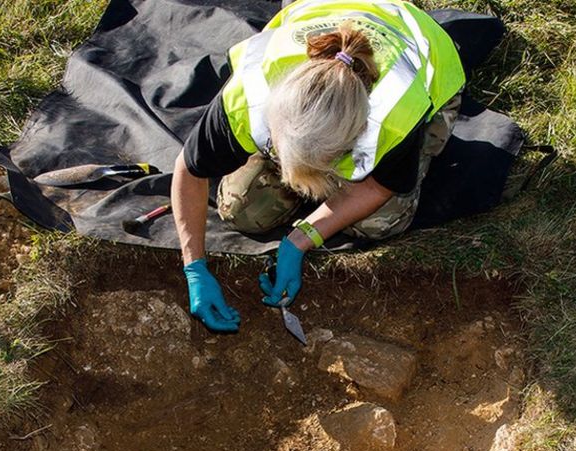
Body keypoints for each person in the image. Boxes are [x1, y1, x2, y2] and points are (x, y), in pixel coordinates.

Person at [172, 0, 466, 332]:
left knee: (380, 222)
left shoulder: (395, 116)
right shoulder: (249, 92)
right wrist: (194, 268)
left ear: (354, 138)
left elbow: (379, 186)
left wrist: (302, 239)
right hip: (325, 11)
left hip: (428, 57)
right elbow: (190, 169)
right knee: (241, 208)